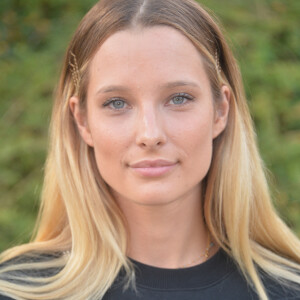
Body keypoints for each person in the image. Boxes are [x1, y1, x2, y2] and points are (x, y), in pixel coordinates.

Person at [0, 0, 299, 299]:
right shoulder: (16, 290)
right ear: (82, 120)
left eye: (179, 98)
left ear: (220, 111)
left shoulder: (287, 290)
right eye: (117, 103)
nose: (150, 134)